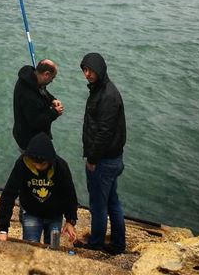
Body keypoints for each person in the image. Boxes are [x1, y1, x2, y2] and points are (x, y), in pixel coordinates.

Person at [77, 52, 127, 255]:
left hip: (103, 161)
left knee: (98, 205)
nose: (87, 74)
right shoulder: (103, 89)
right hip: (113, 159)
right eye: (84, 70)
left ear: (100, 70)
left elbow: (104, 133)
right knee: (112, 202)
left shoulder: (107, 96)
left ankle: (96, 244)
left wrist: (92, 159)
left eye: (90, 70)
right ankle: (117, 244)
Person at [0, 132, 78, 245]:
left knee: (53, 248)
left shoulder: (61, 167)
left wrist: (70, 220)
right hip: (31, 212)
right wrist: (3, 229)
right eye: (35, 164)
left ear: (50, 160)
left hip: (55, 215)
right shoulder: (22, 164)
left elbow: (69, 194)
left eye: (43, 164)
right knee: (30, 246)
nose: (39, 167)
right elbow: (9, 194)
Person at [13, 59, 64, 151]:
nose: (52, 81)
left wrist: (52, 100)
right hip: (30, 141)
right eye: (52, 78)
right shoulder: (28, 95)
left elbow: (42, 91)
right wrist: (55, 112)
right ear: (46, 74)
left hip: (24, 133)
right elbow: (36, 122)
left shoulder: (32, 79)